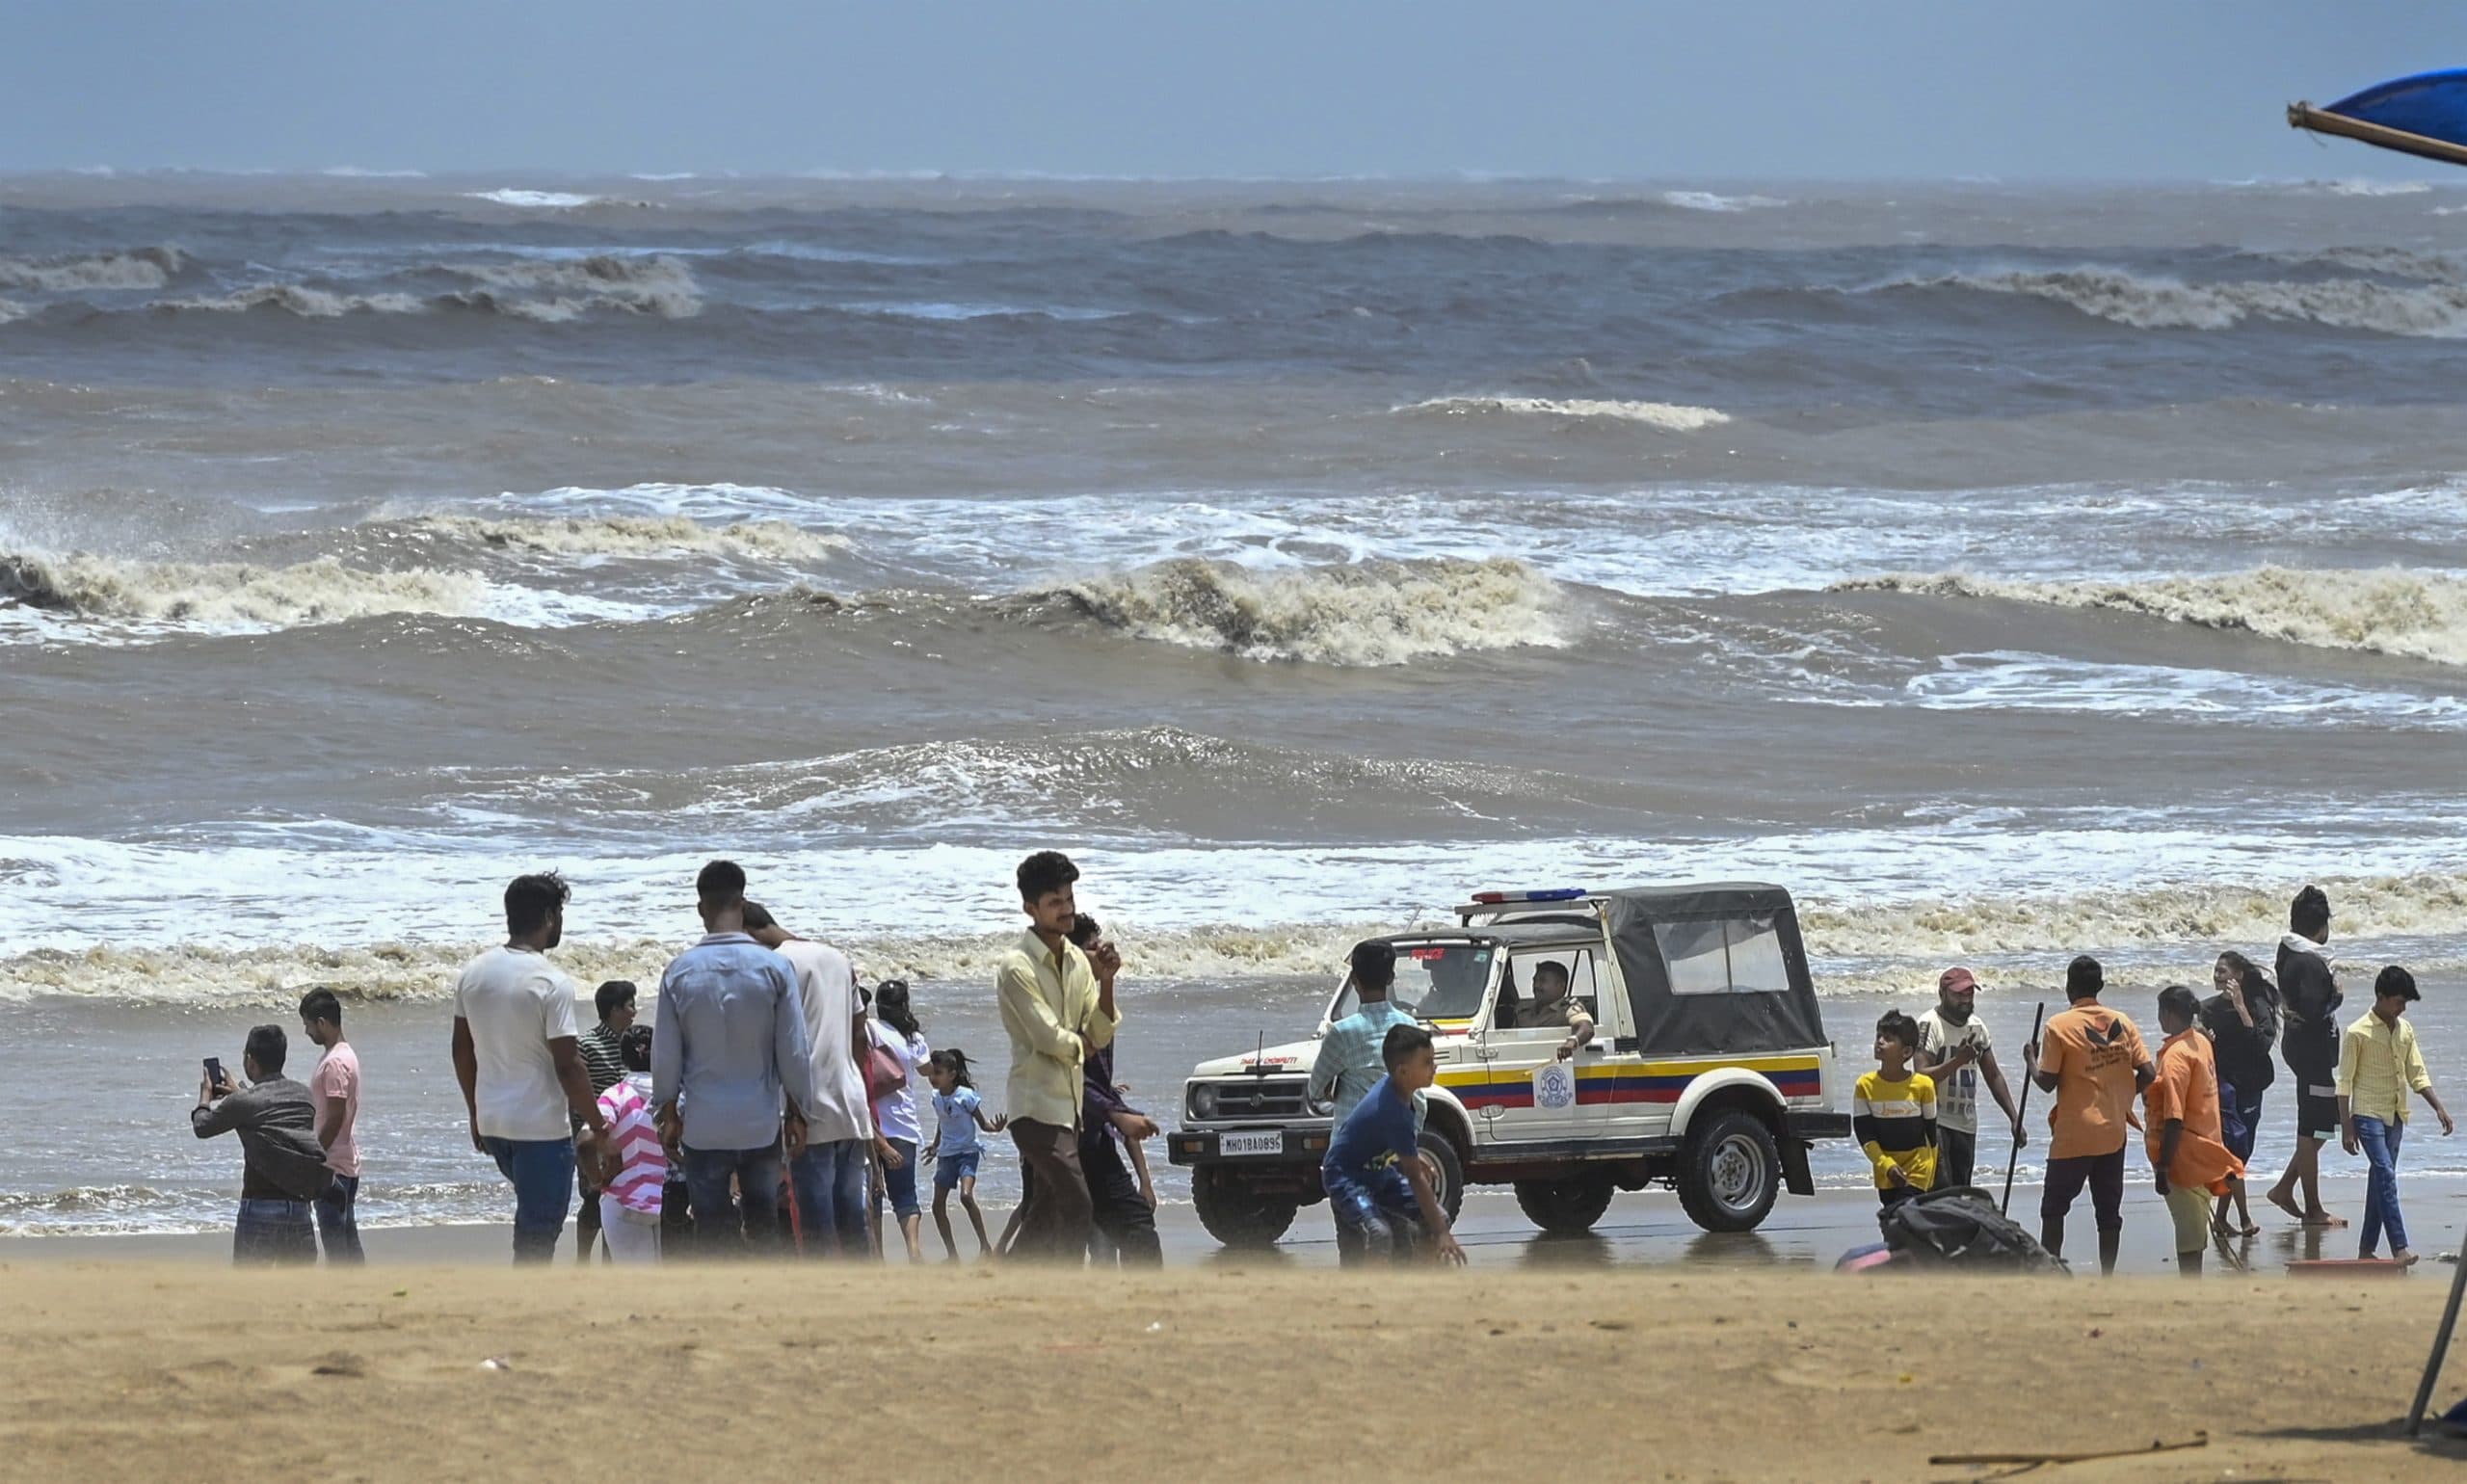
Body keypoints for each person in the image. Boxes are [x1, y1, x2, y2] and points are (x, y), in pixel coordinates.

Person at [650, 860, 815, 1257]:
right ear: (742, 904)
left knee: (711, 1230)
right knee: (762, 1225)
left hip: (703, 1126)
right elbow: (793, 1050)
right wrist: (798, 1112)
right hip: (760, 1123)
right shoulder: (775, 967)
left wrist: (668, 1113)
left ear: (700, 908)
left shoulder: (679, 972)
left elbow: (666, 1054)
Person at [452, 871, 608, 1263]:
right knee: (538, 1235)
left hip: (494, 1124)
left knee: (531, 1223)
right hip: (540, 1129)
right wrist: (599, 1125)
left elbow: (461, 1050)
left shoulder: (473, 973)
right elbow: (569, 1065)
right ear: (550, 916)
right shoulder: (550, 981)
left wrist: (474, 1112)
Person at [996, 851, 1119, 1262]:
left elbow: (1100, 1030)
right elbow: (1048, 1037)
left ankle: (1006, 1284)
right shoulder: (1017, 967)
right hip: (1034, 1107)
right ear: (1030, 908)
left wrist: (1107, 982)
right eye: (1055, 902)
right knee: (1077, 1204)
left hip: (1070, 1109)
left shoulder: (1079, 963)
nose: (1067, 909)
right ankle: (1063, 1290)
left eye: (1069, 899)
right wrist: (1084, 1045)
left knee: (1045, 1215)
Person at [744, 902, 873, 1258]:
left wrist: (792, 1110)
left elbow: (781, 1043)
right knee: (853, 1218)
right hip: (851, 1102)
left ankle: (825, 1292)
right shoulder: (837, 957)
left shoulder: (775, 964)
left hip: (807, 1107)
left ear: (748, 933)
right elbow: (859, 1033)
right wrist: (852, 1081)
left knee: (817, 1224)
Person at [2024, 955, 2154, 1275]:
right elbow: (2149, 1073)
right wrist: (2124, 1096)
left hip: (2074, 1134)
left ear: (2069, 987)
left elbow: (2046, 1082)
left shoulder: (2058, 1025)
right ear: (2101, 986)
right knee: (2108, 1212)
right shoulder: (2122, 1022)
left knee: (2053, 1209)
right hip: (2113, 1132)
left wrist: (2030, 1059)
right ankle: (2107, 1277)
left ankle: (2053, 1273)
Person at [1320, 1024, 1467, 1267]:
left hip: (1378, 1173)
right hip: (1345, 1177)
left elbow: (1387, 1142)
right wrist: (1443, 1233)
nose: (1434, 1067)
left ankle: (1419, 1278)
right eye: (1427, 1062)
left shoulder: (1400, 1093)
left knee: (1437, 1217)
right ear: (1403, 1071)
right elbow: (1414, 1177)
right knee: (1380, 1233)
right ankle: (1370, 1288)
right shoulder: (1391, 1109)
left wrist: (1414, 1157)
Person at [2339, 966, 2454, 1266]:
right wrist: (2347, 1127)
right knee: (2386, 1174)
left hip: (2396, 1114)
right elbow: (2344, 1083)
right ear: (2381, 996)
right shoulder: (2357, 1032)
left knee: (2380, 1179)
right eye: (2399, 1002)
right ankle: (2399, 1247)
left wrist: (2438, 1107)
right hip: (2366, 1113)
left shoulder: (2405, 1030)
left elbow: (2417, 1073)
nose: (2402, 1008)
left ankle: (2366, 1249)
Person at [191, 1024, 333, 1265]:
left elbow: (202, 1127)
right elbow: (269, 1114)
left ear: (250, 1060)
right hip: (299, 1209)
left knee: (252, 1286)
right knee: (297, 1286)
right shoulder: (304, 1096)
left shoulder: (244, 1103)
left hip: (260, 1209)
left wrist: (205, 1097)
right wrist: (240, 1093)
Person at [1068, 912, 1161, 1266]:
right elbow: (1068, 1074)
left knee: (1137, 1229)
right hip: (1060, 1139)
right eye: (1093, 947)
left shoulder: (1091, 998)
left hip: (1094, 1137)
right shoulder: (1059, 1004)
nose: (1103, 951)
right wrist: (1115, 1113)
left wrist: (1107, 981)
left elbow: (1102, 1033)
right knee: (1053, 1239)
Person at [2147, 984, 2243, 1278]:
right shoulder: (2200, 1042)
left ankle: (2191, 1291)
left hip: (2183, 1157)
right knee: (2196, 1227)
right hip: (2206, 1149)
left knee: (2189, 1234)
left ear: (2167, 1014)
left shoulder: (2175, 1057)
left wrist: (2163, 1167)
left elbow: (2174, 1118)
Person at [2268, 886, 2345, 1229]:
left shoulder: (2288, 950)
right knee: (2314, 1126)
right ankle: (2313, 1209)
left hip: (2301, 1046)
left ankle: (2285, 1188)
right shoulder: (2310, 961)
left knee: (2323, 1123)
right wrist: (2336, 997)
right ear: (2322, 925)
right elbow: (2314, 1011)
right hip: (2312, 1051)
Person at [1913, 967, 2023, 1190]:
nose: (1965, 1000)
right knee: (1941, 1192)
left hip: (1966, 1123)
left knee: (1962, 1192)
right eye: (1959, 994)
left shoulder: (1977, 1027)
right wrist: (1958, 1061)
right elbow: (1921, 1076)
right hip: (1935, 1121)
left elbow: (1993, 1075)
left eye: (1970, 993)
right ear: (1942, 994)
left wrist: (2014, 1117)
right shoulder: (1929, 1025)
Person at [2199, 950, 2278, 1237]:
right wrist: (2202, 1037)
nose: (2217, 976)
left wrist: (2242, 1008)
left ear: (2239, 976)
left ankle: (2221, 1218)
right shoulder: (2207, 1009)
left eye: (2223, 971)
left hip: (2252, 1085)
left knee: (2242, 1153)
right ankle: (2243, 1217)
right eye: (2216, 970)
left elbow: (2261, 1046)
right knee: (2234, 1148)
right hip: (2223, 1087)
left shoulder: (2257, 1005)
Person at [1311, 941, 1424, 1126]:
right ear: (1390, 978)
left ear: (1353, 979)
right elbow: (1418, 1098)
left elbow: (1315, 1090)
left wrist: (1332, 1092)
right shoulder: (1410, 1026)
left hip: (1352, 1141)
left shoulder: (1341, 1033)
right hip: (1396, 1139)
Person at [866, 979, 932, 1262]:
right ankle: (914, 1252)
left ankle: (878, 1257)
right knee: (905, 1196)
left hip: (872, 1126)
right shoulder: (913, 1038)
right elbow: (927, 1070)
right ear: (904, 1004)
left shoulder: (869, 1028)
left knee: (874, 1195)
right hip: (904, 1125)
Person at [297, 988, 363, 1264]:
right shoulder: (344, 1054)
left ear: (322, 1023)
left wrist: (315, 1155)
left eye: (308, 1025)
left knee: (337, 1248)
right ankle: (360, 1284)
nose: (306, 1032)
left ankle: (345, 1287)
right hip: (344, 1161)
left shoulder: (335, 1062)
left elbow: (335, 1117)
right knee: (348, 1242)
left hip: (332, 1166)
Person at [572, 978, 636, 1263]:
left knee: (620, 1201)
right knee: (593, 1199)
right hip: (595, 1135)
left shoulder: (635, 1044)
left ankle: (611, 1264)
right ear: (614, 1010)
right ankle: (582, 1261)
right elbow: (577, 1096)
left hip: (629, 1136)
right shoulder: (587, 1044)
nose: (635, 1011)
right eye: (630, 1005)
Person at [592, 1024, 665, 1264]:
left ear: (623, 1059)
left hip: (625, 1202)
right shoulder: (677, 1097)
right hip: (672, 1201)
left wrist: (598, 1179)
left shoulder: (614, 1096)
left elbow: (585, 1141)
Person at [924, 1048, 1006, 1260]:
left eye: (938, 1073)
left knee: (966, 1196)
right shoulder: (935, 1097)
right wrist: (935, 1146)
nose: (933, 1078)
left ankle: (985, 1246)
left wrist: (996, 1128)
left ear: (951, 1075)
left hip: (967, 1153)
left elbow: (983, 1124)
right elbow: (942, 1121)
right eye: (931, 1073)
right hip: (946, 1155)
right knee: (937, 1206)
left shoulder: (966, 1096)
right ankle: (952, 1255)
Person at [1854, 1011, 1938, 1208]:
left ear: (1906, 1052)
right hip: (1886, 1173)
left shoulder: (1923, 1086)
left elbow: (1931, 1135)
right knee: (1891, 1220)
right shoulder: (1864, 1085)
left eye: (1888, 1038)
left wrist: (1930, 1175)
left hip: (1918, 1171)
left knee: (1903, 1215)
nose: (1880, 1042)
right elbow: (1865, 1136)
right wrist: (1887, 1165)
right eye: (1878, 1036)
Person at [1513, 960, 1596, 1062]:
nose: (1536, 986)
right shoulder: (1523, 1012)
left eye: (1542, 981)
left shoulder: (1568, 1009)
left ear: (1560, 986)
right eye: (1535, 981)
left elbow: (1587, 1029)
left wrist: (1571, 1042)